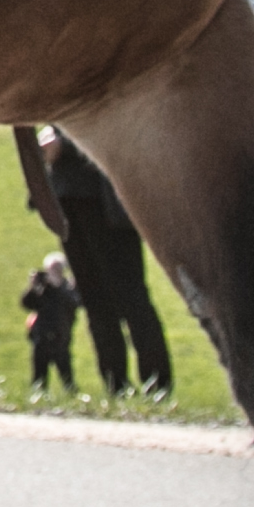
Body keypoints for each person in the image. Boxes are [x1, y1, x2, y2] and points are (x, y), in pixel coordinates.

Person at [39, 129, 173, 399]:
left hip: (105, 199)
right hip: (68, 196)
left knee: (131, 296)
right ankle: (116, 386)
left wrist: (63, 143)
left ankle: (157, 385)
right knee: (94, 299)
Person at [19, 251, 82, 398]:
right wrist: (33, 288)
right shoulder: (42, 289)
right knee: (39, 377)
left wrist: (59, 286)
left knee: (67, 377)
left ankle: (72, 399)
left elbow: (75, 304)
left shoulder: (68, 288)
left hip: (61, 337)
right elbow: (27, 304)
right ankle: (38, 398)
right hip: (41, 337)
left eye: (57, 269)